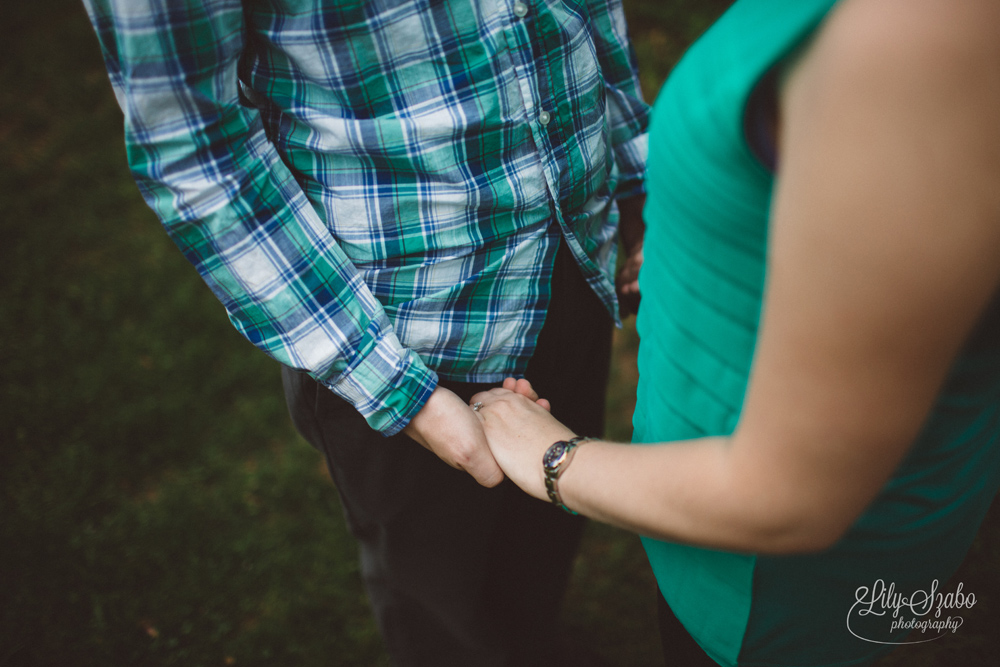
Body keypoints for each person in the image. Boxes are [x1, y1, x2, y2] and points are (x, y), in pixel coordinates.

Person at [80, 0, 649, 664]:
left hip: (572, 252)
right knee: (446, 608)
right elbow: (194, 150)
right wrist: (401, 392)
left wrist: (639, 183)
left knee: (540, 549)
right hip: (404, 333)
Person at [471, 0, 1000, 665]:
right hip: (707, 519)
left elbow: (792, 496)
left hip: (776, 584)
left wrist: (554, 460)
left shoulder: (918, 42)